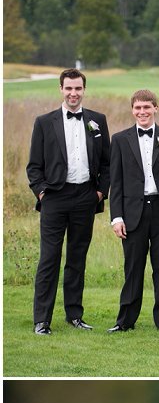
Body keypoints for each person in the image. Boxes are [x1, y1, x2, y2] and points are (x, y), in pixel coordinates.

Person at [26, 68, 110, 334]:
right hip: (54, 198)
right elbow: (34, 166)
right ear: (61, 89)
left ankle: (74, 315)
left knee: (77, 258)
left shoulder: (98, 120)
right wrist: (42, 193)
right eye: (69, 88)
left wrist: (99, 192)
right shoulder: (44, 122)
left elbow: (107, 163)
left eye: (78, 88)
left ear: (84, 90)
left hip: (85, 196)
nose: (73, 93)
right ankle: (42, 320)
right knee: (49, 258)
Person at [107, 89, 159, 333]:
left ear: (156, 108)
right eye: (138, 108)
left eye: (147, 107)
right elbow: (116, 182)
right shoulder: (120, 140)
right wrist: (116, 217)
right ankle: (125, 321)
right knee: (133, 267)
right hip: (133, 212)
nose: (142, 112)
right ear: (133, 110)